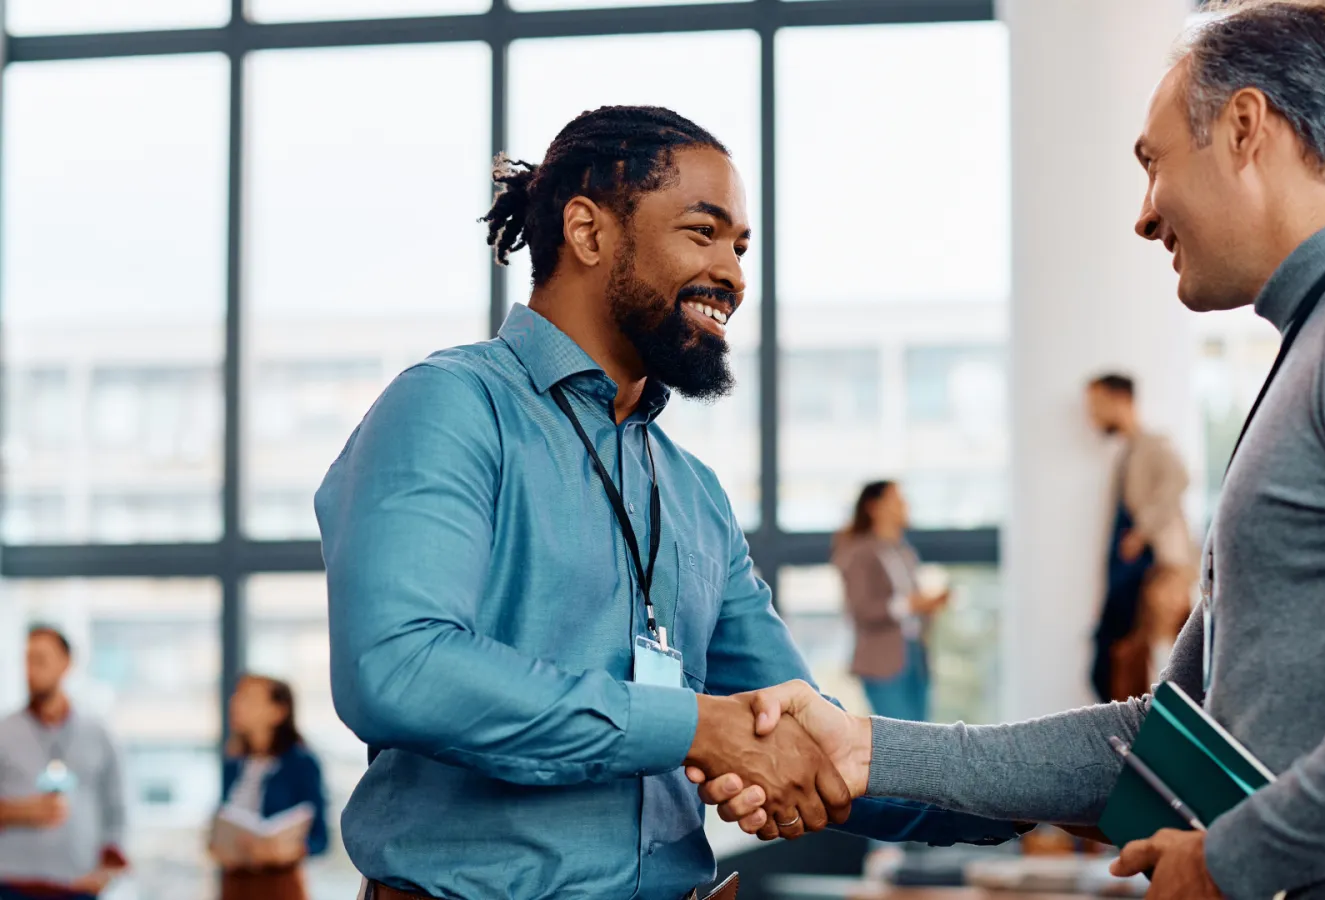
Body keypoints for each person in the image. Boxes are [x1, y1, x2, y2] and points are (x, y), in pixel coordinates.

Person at [702, 2, 1325, 898]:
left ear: (1245, 128)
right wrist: (865, 746)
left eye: (1153, 163)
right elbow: (1159, 745)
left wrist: (1225, 860)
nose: (1144, 215)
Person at [316, 105, 1021, 900]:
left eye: (742, 247)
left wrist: (1049, 795)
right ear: (588, 232)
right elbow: (398, 669)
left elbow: (812, 741)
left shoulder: (692, 493)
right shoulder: (448, 407)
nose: (735, 275)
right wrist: (695, 726)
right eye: (703, 232)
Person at [1085, 373, 1195, 703]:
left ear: (1119, 400)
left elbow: (1179, 478)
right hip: (1132, 576)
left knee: (1154, 659)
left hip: (1158, 570)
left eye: (1096, 405)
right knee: (1116, 663)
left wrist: (1141, 531)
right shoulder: (1127, 453)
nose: (1091, 415)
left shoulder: (1154, 444)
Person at [0, 627, 126, 900]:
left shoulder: (97, 733)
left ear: (66, 664)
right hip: (12, 885)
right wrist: (19, 812)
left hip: (79, 885)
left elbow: (117, 809)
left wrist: (108, 872)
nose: (31, 670)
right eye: (27, 660)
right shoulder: (4, 732)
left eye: (41, 660)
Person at [834, 481, 948, 722]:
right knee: (900, 739)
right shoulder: (858, 552)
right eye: (896, 500)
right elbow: (860, 609)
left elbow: (910, 603)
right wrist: (910, 605)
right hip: (882, 660)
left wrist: (929, 607)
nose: (905, 505)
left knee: (924, 736)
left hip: (915, 654)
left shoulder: (904, 551)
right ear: (874, 507)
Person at [212, 675, 328, 900]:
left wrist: (285, 850)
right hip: (234, 883)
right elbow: (224, 819)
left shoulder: (302, 763)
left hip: (279, 885)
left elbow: (320, 838)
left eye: (249, 698)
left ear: (278, 711)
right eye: (237, 696)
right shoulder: (233, 764)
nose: (236, 704)